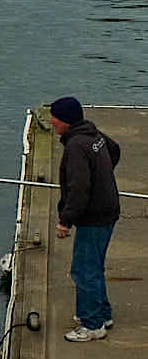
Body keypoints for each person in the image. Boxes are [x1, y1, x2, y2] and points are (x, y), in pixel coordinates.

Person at [49, 96, 120, 342]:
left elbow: (79, 188)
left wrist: (65, 221)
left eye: (54, 117)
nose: (51, 121)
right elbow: (115, 150)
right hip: (108, 211)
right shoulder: (93, 134)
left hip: (93, 217)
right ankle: (102, 313)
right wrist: (103, 175)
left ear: (65, 121)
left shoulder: (76, 146)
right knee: (95, 266)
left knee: (84, 270)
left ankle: (92, 325)